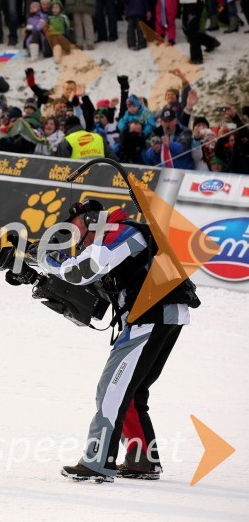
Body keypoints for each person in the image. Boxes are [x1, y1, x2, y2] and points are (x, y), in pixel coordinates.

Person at [31, 200, 199, 482]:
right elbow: (94, 285)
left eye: (77, 232)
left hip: (151, 316)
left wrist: (47, 259)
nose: (78, 241)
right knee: (129, 393)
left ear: (93, 220)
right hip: (159, 315)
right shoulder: (116, 237)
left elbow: (81, 271)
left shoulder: (120, 232)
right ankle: (143, 461)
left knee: (111, 390)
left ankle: (98, 463)